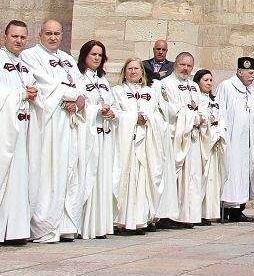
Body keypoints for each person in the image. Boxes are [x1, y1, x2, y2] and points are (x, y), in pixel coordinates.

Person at [22, 19, 85, 243]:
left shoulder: (68, 59)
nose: (53, 37)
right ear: (40, 34)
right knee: (49, 170)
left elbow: (81, 86)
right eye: (48, 33)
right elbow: (44, 83)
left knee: (68, 170)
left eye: (57, 33)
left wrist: (77, 101)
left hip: (68, 121)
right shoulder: (31, 55)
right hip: (48, 122)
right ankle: (44, 225)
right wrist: (70, 95)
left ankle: (65, 224)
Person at [0, 20, 37, 245]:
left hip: (23, 127)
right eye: (15, 36)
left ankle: (15, 230)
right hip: (4, 127)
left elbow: (33, 89)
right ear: (5, 37)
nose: (19, 41)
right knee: (2, 175)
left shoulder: (25, 65)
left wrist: (33, 93)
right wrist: (20, 94)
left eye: (23, 37)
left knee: (20, 178)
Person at [216, 56, 254, 223]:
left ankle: (238, 209)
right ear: (239, 72)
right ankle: (226, 208)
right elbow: (219, 112)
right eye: (250, 73)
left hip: (247, 143)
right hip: (231, 140)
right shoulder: (226, 87)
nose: (253, 76)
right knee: (231, 173)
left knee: (244, 175)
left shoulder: (252, 93)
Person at [111, 58, 165, 235]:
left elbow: (158, 115)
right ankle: (123, 221)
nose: (133, 72)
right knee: (126, 178)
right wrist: (134, 117)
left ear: (142, 72)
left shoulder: (150, 92)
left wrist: (148, 118)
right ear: (124, 72)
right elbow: (115, 113)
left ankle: (140, 220)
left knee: (143, 180)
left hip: (146, 142)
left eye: (136, 68)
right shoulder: (118, 91)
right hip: (127, 142)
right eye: (129, 69)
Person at [155, 51, 205, 228]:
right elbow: (169, 110)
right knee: (172, 176)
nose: (186, 68)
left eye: (189, 66)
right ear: (175, 64)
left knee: (191, 177)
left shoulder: (194, 86)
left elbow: (200, 106)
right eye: (182, 65)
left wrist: (201, 117)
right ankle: (167, 216)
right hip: (174, 137)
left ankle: (187, 215)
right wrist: (191, 118)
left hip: (192, 137)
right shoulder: (164, 85)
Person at [76, 40, 119, 241]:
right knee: (88, 176)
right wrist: (96, 110)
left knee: (103, 176)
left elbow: (113, 104)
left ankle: (100, 225)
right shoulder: (79, 77)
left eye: (99, 55)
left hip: (105, 134)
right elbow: (81, 104)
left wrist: (112, 112)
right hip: (88, 132)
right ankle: (85, 224)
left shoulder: (103, 80)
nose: (96, 58)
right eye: (93, 54)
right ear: (85, 55)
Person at [196, 69, 227, 224]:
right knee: (201, 177)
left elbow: (221, 119)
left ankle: (208, 212)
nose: (208, 83)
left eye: (210, 80)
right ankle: (197, 212)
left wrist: (219, 132)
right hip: (202, 143)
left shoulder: (215, 101)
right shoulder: (197, 99)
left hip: (215, 142)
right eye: (205, 80)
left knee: (212, 179)